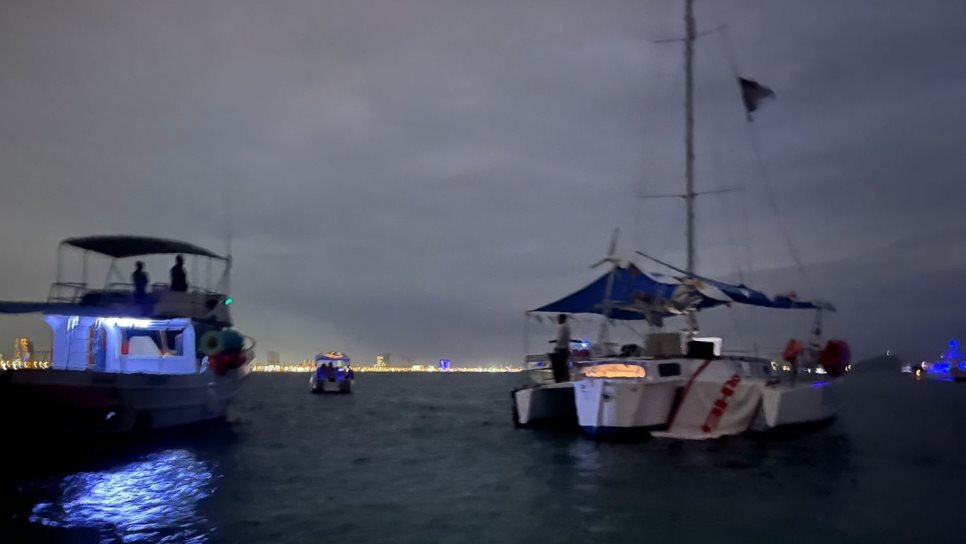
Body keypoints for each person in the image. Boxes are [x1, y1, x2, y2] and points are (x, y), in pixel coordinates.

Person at [550, 314, 571, 383]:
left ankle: (563, 379)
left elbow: (561, 338)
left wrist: (556, 347)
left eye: (558, 319)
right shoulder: (567, 327)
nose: (557, 320)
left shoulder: (562, 327)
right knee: (564, 364)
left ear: (561, 319)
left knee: (561, 365)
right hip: (566, 348)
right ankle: (566, 378)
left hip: (562, 349)